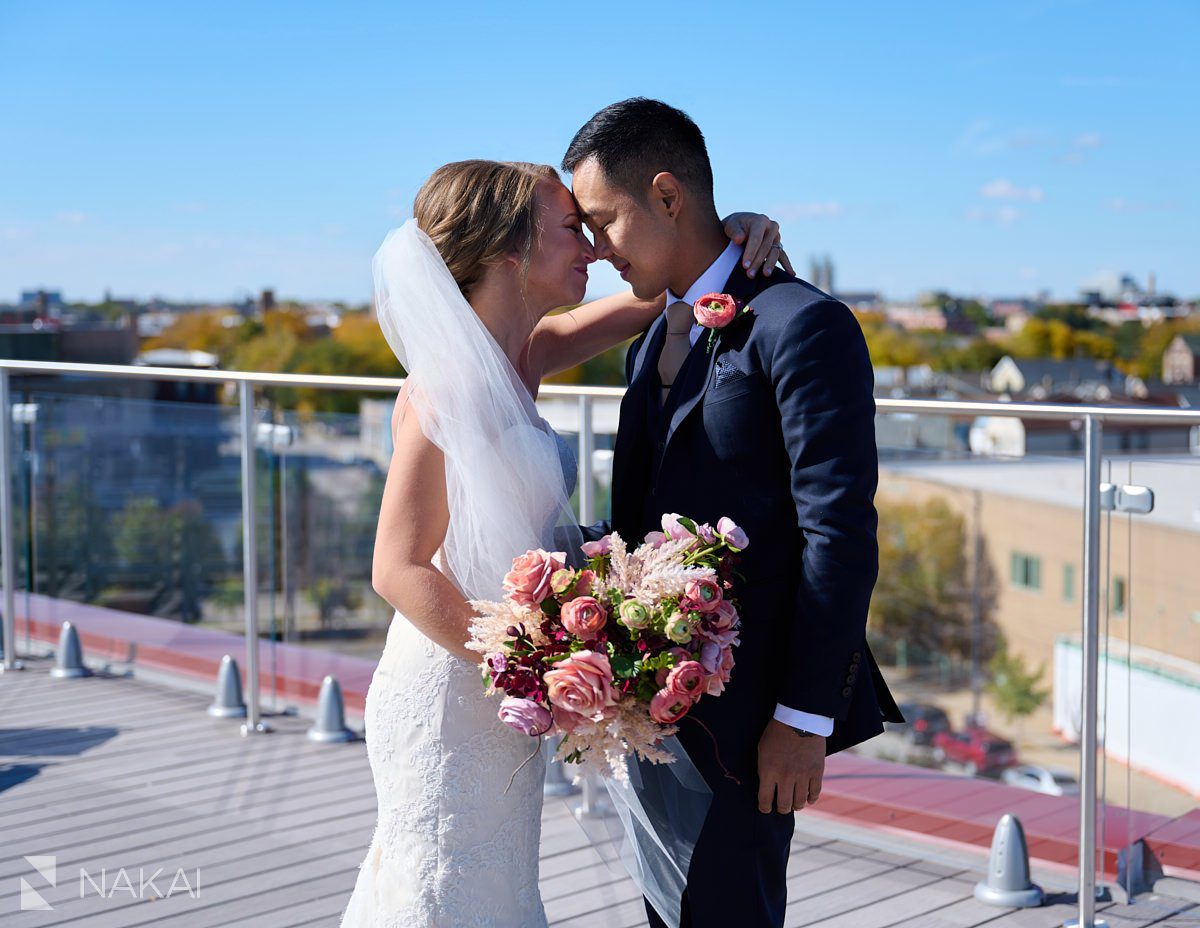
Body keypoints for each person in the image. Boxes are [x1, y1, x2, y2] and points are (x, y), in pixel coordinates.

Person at [337, 157, 787, 928]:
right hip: (452, 685)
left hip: (505, 696)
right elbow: (396, 567)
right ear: (511, 250)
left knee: (495, 889)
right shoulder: (444, 387)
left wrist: (732, 232)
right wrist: (532, 665)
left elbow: (660, 290)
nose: (591, 249)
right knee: (439, 891)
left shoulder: (527, 354)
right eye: (570, 230)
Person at [562, 98, 904, 928]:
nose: (597, 248)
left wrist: (802, 716)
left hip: (755, 719)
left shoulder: (803, 325)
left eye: (604, 222)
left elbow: (841, 533)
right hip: (654, 703)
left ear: (669, 198)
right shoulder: (652, 336)